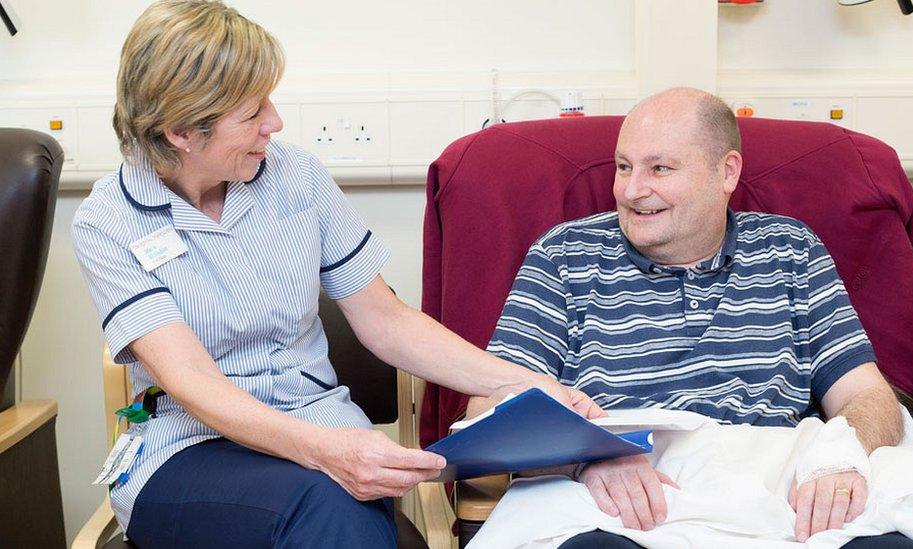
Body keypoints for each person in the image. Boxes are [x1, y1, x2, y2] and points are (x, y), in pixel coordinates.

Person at [72, 1, 601, 546]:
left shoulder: (295, 175)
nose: (274, 122)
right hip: (189, 451)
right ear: (182, 130)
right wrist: (330, 452)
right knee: (331, 500)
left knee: (339, 503)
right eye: (252, 112)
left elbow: (386, 320)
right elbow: (194, 383)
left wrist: (523, 383)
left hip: (328, 434)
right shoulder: (109, 220)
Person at [468, 87, 913, 547]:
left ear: (727, 172)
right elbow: (486, 411)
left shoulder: (791, 250)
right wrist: (586, 456)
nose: (632, 190)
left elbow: (865, 394)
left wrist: (838, 458)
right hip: (625, 509)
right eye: (624, 167)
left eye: (659, 168)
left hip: (782, 500)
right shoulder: (564, 256)